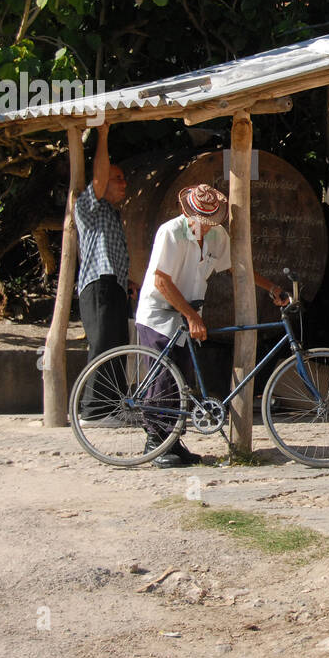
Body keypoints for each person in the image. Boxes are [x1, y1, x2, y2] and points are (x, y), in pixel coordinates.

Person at [134, 183, 288, 467]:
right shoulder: (170, 232)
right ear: (187, 213)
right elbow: (161, 280)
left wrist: (270, 287)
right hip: (160, 312)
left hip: (188, 311)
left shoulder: (217, 235)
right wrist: (192, 317)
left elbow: (237, 267)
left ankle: (173, 441)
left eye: (209, 222)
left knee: (183, 379)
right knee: (163, 379)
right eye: (200, 222)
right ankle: (154, 442)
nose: (204, 227)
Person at [74, 124, 135, 421]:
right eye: (118, 178)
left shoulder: (111, 213)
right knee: (102, 346)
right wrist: (104, 134)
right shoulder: (89, 207)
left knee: (116, 345)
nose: (124, 183)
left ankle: (112, 407)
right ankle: (93, 411)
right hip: (98, 285)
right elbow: (98, 177)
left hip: (114, 286)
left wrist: (129, 282)